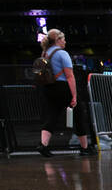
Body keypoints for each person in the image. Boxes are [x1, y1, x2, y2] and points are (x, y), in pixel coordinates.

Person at [36, 29, 95, 157]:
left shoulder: (45, 53)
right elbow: (69, 76)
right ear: (57, 40)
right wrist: (74, 96)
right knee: (79, 114)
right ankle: (84, 148)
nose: (65, 41)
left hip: (48, 87)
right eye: (63, 39)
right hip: (63, 87)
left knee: (51, 116)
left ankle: (43, 145)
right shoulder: (62, 54)